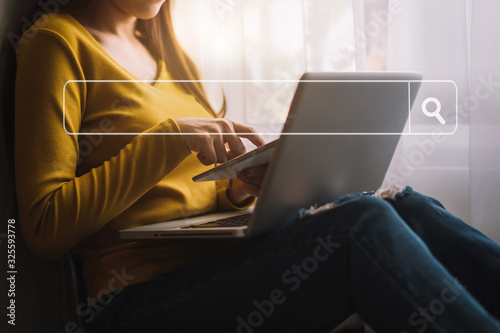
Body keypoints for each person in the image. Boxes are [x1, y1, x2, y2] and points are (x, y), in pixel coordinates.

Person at [13, 0, 500, 332]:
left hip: (219, 266)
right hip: (134, 301)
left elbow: (193, 191)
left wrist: (245, 187)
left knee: (401, 204)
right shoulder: (56, 44)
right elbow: (43, 227)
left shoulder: (169, 53)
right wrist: (166, 140)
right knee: (359, 226)